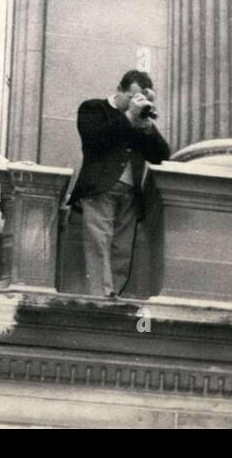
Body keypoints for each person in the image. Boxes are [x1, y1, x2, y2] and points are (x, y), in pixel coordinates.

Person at [66, 70, 171, 297]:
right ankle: (100, 295)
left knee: (122, 250)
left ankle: (112, 294)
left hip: (130, 194)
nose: (134, 103)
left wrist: (148, 127)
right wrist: (130, 118)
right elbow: (95, 140)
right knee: (99, 244)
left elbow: (162, 156)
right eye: (131, 97)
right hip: (100, 188)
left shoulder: (137, 119)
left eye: (140, 99)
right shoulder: (93, 108)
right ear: (119, 90)